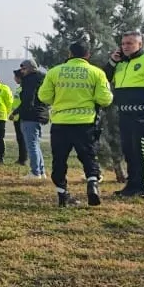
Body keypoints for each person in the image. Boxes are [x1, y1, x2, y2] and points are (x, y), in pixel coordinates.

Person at [38, 40, 112, 207]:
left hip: (60, 123)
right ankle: (92, 184)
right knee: (88, 157)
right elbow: (105, 99)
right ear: (88, 55)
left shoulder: (54, 72)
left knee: (59, 160)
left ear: (69, 54)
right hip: (85, 124)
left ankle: (63, 195)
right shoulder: (97, 73)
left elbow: (44, 97)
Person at [104, 30, 144, 197]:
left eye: (130, 43)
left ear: (140, 44)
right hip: (123, 114)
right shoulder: (120, 63)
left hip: (142, 114)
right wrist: (112, 61)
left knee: (141, 151)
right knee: (128, 150)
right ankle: (131, 186)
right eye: (123, 43)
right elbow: (104, 78)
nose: (125, 46)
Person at [15, 59, 49, 178]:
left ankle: (35, 172)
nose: (22, 71)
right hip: (39, 114)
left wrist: (21, 112)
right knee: (35, 143)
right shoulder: (42, 79)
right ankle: (41, 170)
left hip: (30, 115)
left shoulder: (29, 81)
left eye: (23, 69)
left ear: (29, 68)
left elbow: (27, 99)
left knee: (31, 145)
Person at [9, 69, 27, 165]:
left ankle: (23, 159)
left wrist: (14, 113)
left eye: (15, 77)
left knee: (22, 139)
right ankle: (21, 158)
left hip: (21, 117)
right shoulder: (19, 88)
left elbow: (23, 104)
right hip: (17, 118)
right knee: (20, 139)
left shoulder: (24, 89)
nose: (14, 79)